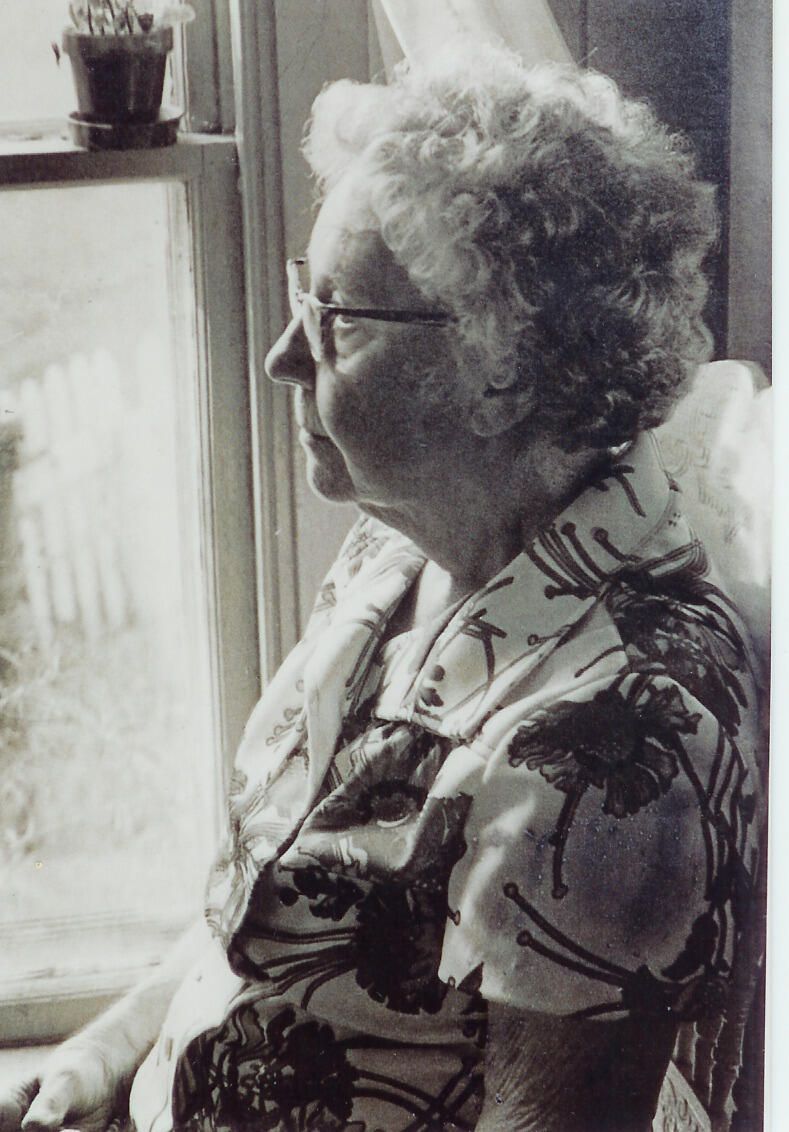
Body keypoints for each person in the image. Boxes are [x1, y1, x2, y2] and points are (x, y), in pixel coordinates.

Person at [1, 45, 764, 1132]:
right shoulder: (403, 547)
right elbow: (271, 914)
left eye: (338, 319)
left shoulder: (615, 742)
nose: (283, 357)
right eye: (300, 297)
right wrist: (104, 1051)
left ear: (503, 372)